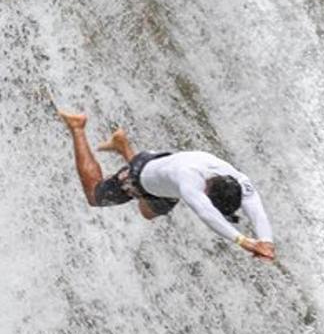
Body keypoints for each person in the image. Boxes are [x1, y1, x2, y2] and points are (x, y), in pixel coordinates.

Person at [58, 111, 276, 259]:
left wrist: (266, 241)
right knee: (95, 196)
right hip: (142, 173)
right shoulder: (190, 182)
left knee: (147, 212)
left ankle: (122, 145)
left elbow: (255, 205)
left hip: (165, 181)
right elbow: (207, 214)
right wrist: (244, 241)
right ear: (206, 192)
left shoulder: (235, 177)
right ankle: (78, 127)